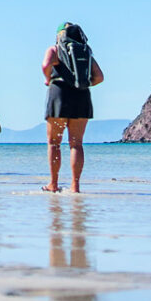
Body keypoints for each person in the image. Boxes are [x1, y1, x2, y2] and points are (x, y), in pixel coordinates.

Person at [42, 22, 104, 193]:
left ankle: (53, 184)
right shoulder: (86, 51)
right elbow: (99, 77)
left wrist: (48, 79)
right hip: (81, 96)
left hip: (59, 94)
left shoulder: (54, 49)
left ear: (58, 35)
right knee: (76, 143)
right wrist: (82, 83)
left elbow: (45, 65)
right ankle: (75, 186)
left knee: (54, 142)